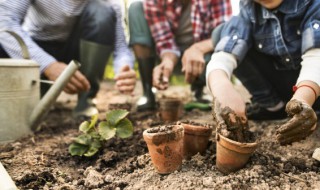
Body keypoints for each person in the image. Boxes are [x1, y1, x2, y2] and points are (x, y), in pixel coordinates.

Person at [206, 0, 320, 145]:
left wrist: (304, 98)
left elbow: (316, 57)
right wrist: (221, 88)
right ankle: (272, 106)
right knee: (220, 33)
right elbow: (224, 56)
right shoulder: (248, 10)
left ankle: (307, 109)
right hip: (281, 86)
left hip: (313, 88)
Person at [0, 0, 136, 118]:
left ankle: (86, 99)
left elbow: (121, 47)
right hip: (38, 47)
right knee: (30, 107)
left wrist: (124, 68)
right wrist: (48, 65)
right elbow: (4, 21)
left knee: (102, 12)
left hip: (77, 51)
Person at [128, 0, 232, 111]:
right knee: (136, 7)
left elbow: (225, 34)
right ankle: (148, 91)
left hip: (203, 59)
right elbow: (165, 41)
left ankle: (198, 90)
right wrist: (168, 61)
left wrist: (197, 49)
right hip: (168, 58)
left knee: (223, 52)